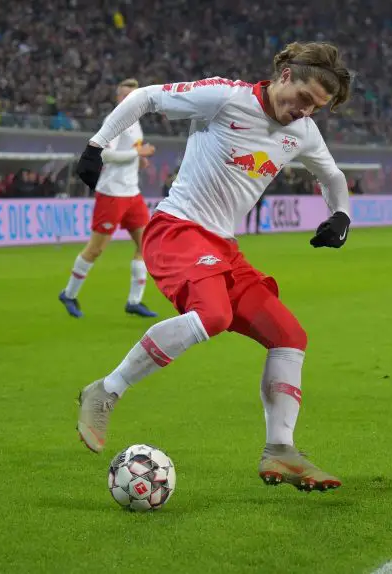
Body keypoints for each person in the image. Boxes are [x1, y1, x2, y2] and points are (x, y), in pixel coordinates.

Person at [74, 42, 353, 493]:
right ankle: (106, 390)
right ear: (285, 75)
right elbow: (145, 97)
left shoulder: (302, 131)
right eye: (303, 98)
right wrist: (97, 145)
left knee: (289, 336)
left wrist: (341, 215)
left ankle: (281, 448)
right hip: (178, 229)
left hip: (223, 246)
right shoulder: (226, 98)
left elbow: (332, 176)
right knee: (214, 315)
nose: (304, 112)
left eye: (316, 108)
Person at [59, 78, 158, 319]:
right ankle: (69, 294)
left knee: (146, 245)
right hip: (112, 194)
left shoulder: (136, 122)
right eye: (124, 95)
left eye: (132, 96)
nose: (128, 100)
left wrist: (139, 160)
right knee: (96, 250)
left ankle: (134, 301)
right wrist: (137, 152)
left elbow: (127, 153)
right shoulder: (114, 120)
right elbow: (103, 154)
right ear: (117, 98)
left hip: (132, 193)